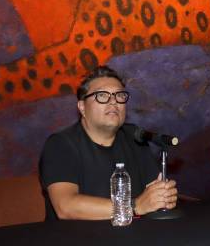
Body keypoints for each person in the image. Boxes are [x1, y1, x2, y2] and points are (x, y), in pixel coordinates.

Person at [39, 66, 178, 220]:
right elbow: (65, 207)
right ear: (82, 107)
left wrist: (162, 197)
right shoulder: (60, 144)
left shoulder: (135, 137)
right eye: (102, 96)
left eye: (119, 95)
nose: (113, 102)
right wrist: (134, 206)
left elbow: (152, 196)